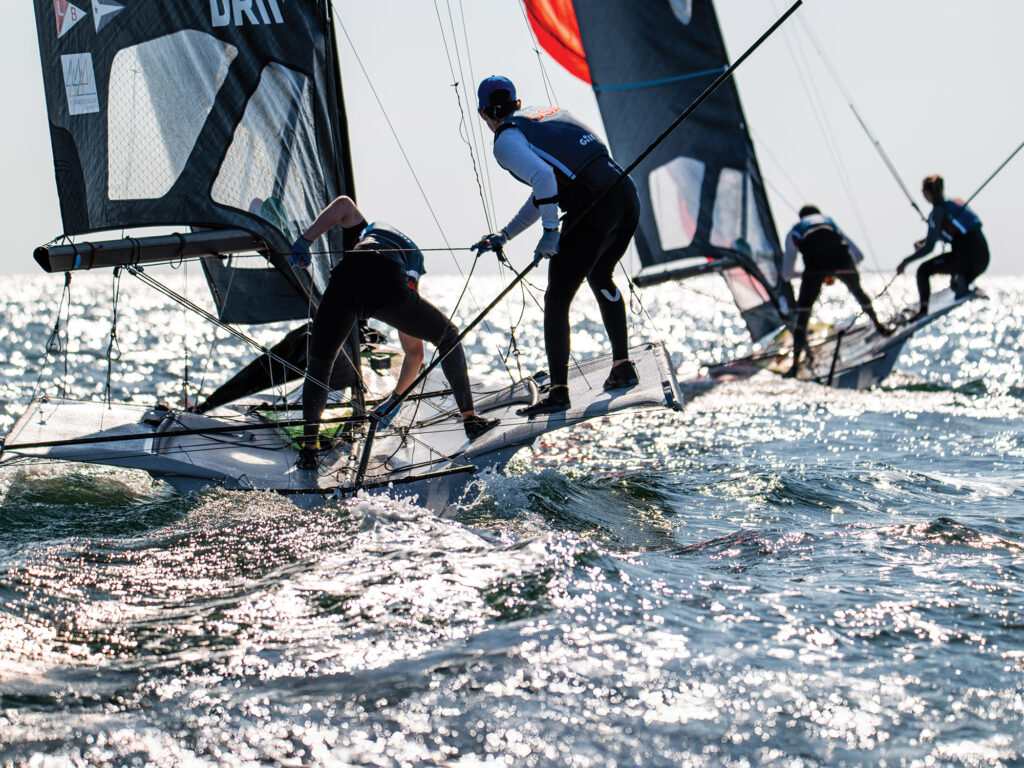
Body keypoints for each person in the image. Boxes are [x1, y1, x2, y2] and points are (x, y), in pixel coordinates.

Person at [472, 75, 641, 416]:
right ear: (518, 102)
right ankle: (622, 365)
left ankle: (560, 392)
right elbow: (546, 189)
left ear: (482, 113)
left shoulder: (505, 140)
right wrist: (505, 234)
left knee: (557, 298)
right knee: (601, 275)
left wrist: (551, 231)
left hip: (593, 205)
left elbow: (545, 180)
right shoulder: (546, 114)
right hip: (626, 195)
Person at [290, 196, 498, 470]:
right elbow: (414, 351)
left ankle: (309, 450)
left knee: (320, 363)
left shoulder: (366, 229)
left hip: (346, 277)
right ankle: (470, 419)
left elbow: (342, 204)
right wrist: (396, 400)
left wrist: (305, 241)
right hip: (386, 278)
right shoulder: (413, 255)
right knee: (448, 336)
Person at [781, 205, 891, 377]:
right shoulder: (829, 222)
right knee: (858, 292)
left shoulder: (795, 231)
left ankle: (794, 365)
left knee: (802, 315)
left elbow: (786, 274)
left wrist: (815, 274)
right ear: (818, 215)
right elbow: (858, 255)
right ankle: (879, 326)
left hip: (815, 265)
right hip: (842, 260)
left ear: (800, 218)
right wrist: (834, 272)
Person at [896, 174, 989, 320]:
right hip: (982, 258)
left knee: (923, 271)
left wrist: (905, 261)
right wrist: (924, 241)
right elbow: (949, 233)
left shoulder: (937, 212)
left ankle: (923, 311)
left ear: (927, 193)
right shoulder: (952, 205)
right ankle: (960, 280)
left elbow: (929, 248)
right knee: (955, 281)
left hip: (967, 258)